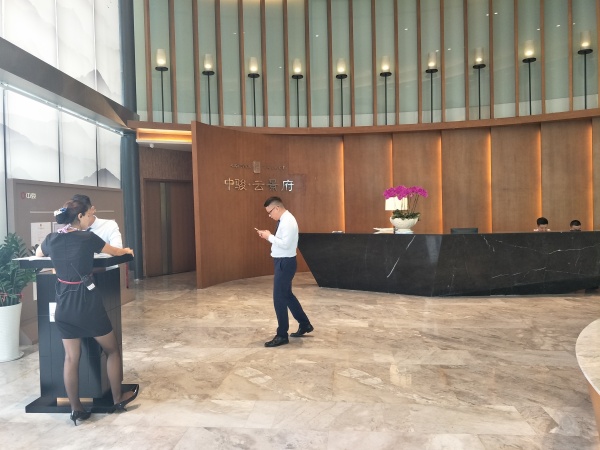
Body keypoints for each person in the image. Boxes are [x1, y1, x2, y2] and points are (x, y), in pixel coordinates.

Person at [36, 199, 138, 425]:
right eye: (89, 215)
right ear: (80, 216)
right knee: (112, 350)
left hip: (63, 306)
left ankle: (76, 409)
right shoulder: (87, 238)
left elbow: (39, 253)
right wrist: (127, 251)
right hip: (87, 304)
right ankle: (118, 398)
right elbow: (114, 251)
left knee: (71, 358)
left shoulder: (51, 238)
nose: (91, 219)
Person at [255, 197, 313, 347]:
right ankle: (305, 324)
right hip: (283, 262)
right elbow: (282, 241)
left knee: (279, 298)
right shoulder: (284, 219)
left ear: (277, 208)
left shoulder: (288, 221)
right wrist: (269, 236)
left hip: (285, 263)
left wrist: (269, 237)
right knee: (287, 295)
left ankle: (282, 335)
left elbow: (286, 245)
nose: (269, 215)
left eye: (270, 212)